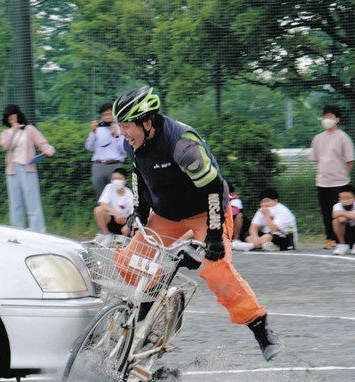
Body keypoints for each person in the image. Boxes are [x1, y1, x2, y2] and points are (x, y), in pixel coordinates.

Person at [112, 85, 282, 362]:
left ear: (147, 122)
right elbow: (139, 175)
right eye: (120, 126)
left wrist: (214, 233)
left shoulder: (182, 144)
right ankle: (154, 298)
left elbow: (213, 188)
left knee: (217, 271)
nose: (123, 133)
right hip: (167, 214)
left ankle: (260, 326)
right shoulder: (133, 144)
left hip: (207, 211)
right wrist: (139, 212)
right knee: (128, 260)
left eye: (127, 125)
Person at [0, 104, 55, 232]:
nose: (12, 119)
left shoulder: (29, 129)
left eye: (14, 116)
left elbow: (42, 142)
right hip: (12, 172)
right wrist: (13, 130)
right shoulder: (5, 133)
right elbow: (7, 146)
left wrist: (48, 150)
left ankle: (38, 231)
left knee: (33, 202)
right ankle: (17, 232)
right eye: (9, 117)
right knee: (16, 204)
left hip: (27, 169)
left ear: (18, 115)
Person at [309, 105, 355, 250]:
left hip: (340, 182)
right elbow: (317, 159)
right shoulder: (318, 138)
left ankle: (346, 239)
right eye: (325, 116)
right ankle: (330, 238)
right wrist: (323, 173)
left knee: (342, 212)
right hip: (322, 182)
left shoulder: (343, 137)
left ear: (337, 119)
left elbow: (350, 161)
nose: (327, 119)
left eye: (330, 116)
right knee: (326, 211)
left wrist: (344, 177)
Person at [234, 188, 297, 252]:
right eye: (262, 202)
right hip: (267, 236)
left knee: (268, 236)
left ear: (275, 200)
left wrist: (267, 215)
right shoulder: (262, 210)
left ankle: (251, 245)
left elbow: (274, 229)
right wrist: (255, 237)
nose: (264, 204)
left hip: (285, 237)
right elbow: (253, 226)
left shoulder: (282, 211)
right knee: (249, 236)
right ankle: (261, 245)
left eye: (267, 201)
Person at [86, 103, 127, 200]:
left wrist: (117, 135)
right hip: (99, 166)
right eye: (105, 114)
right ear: (101, 116)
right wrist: (93, 132)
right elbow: (89, 147)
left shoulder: (121, 127)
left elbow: (125, 151)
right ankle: (103, 215)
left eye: (110, 114)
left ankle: (119, 215)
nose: (108, 117)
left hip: (116, 165)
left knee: (118, 196)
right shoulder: (97, 129)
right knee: (100, 197)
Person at [94, 168, 134, 243]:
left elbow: (134, 214)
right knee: (98, 210)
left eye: (119, 179)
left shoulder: (130, 195)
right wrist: (116, 213)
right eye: (114, 179)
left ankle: (125, 239)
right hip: (112, 220)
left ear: (125, 180)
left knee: (130, 225)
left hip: (124, 223)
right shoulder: (109, 187)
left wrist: (127, 224)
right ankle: (107, 236)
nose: (116, 181)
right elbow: (102, 203)